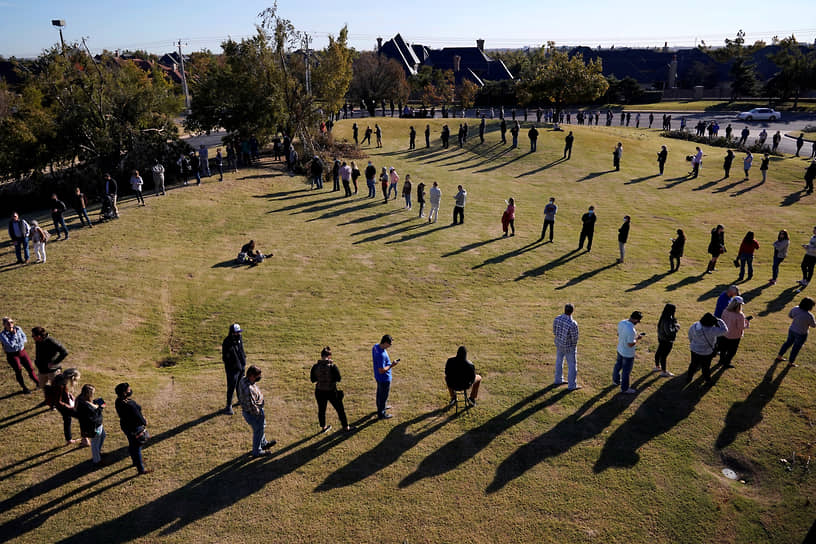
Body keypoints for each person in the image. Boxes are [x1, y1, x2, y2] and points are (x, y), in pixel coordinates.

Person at [310, 347, 352, 433]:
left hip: (319, 391)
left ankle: (323, 427)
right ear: (329, 356)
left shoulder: (315, 367)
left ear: (321, 356)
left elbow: (313, 380)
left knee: (321, 410)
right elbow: (339, 378)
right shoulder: (333, 366)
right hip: (331, 391)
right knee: (340, 409)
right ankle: (346, 427)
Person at [238, 365, 276, 456]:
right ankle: (257, 451)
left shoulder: (244, 379)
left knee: (261, 428)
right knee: (258, 430)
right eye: (257, 376)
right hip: (253, 414)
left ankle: (263, 443)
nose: (259, 378)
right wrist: (259, 414)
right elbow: (251, 406)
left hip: (252, 412)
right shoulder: (248, 390)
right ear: (251, 376)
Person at [115, 382, 152, 474]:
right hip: (135, 428)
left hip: (126, 426)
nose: (130, 390)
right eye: (128, 389)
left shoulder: (118, 401)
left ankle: (135, 461)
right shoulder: (130, 404)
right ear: (124, 393)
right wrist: (145, 422)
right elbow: (139, 417)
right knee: (137, 447)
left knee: (132, 444)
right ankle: (141, 469)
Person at [687, 313, 728, 384]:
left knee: (693, 364)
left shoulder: (695, 325)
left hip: (694, 349)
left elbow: (690, 335)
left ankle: (689, 378)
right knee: (706, 367)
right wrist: (719, 320)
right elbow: (725, 330)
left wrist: (692, 343)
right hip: (706, 353)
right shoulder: (712, 330)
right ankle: (707, 380)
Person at [1, 317, 39, 393]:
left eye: (11, 322)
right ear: (4, 325)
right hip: (12, 355)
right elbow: (10, 344)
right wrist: (15, 335)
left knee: (30, 368)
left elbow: (24, 338)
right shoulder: (2, 335)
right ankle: (24, 387)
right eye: (8, 323)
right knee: (18, 370)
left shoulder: (18, 328)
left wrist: (19, 342)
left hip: (22, 352)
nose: (10, 324)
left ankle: (39, 383)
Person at [775, 297, 816, 366]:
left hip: (792, 330)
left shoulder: (795, 308)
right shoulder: (809, 315)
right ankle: (790, 362)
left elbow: (790, 315)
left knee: (787, 343)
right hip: (801, 333)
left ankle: (779, 356)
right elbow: (813, 325)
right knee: (796, 348)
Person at [614, 311, 645, 394]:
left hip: (620, 349)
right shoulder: (631, 330)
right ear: (635, 320)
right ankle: (624, 388)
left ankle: (615, 380)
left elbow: (618, 334)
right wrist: (637, 338)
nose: (638, 323)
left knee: (618, 365)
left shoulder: (621, 322)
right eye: (638, 321)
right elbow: (630, 344)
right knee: (626, 372)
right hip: (628, 353)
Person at [75, 384, 106, 466]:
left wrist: (97, 405)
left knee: (103, 436)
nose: (93, 395)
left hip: (97, 425)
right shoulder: (85, 406)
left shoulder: (82, 400)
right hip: (94, 427)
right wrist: (100, 408)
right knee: (95, 443)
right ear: (89, 393)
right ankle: (97, 460)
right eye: (92, 393)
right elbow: (92, 417)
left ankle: (98, 454)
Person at [553, 304, 581, 390]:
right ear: (572, 311)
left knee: (559, 361)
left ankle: (558, 379)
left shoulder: (557, 318)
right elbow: (575, 338)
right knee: (572, 366)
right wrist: (573, 346)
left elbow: (554, 331)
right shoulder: (572, 323)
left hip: (559, 344)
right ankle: (572, 385)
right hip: (569, 347)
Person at [720, 297, 752, 368]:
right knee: (731, 351)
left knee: (723, 349)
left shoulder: (725, 311)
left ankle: (721, 361)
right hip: (734, 336)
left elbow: (722, 321)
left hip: (724, 334)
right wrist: (747, 323)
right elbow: (741, 327)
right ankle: (726, 363)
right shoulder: (740, 315)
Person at [372, 334, 399, 420]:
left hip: (378, 377)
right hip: (384, 378)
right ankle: (381, 414)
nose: (390, 346)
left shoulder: (375, 347)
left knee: (379, 393)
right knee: (383, 396)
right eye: (390, 344)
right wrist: (392, 365)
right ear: (386, 343)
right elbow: (381, 370)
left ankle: (380, 407)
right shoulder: (381, 355)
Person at [222, 323, 246, 415]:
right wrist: (232, 366)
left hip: (241, 368)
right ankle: (228, 406)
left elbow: (241, 351)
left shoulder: (239, 339)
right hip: (232, 370)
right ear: (232, 333)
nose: (239, 334)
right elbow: (225, 358)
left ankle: (240, 400)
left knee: (240, 385)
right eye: (237, 332)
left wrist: (243, 362)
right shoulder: (227, 342)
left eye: (239, 332)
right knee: (231, 387)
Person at [53, 373, 82, 446]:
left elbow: (66, 392)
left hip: (66, 406)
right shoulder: (58, 387)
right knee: (81, 417)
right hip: (65, 408)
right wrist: (69, 407)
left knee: (67, 420)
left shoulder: (61, 384)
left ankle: (69, 439)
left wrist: (70, 395)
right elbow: (58, 402)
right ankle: (85, 438)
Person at [654, 303, 679, 377]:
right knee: (663, 356)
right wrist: (676, 328)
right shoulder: (668, 320)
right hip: (667, 341)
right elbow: (669, 332)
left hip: (661, 339)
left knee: (658, 353)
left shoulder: (663, 317)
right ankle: (664, 371)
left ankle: (657, 367)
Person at [797, 226, 816, 290]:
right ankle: (804, 279)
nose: (813, 231)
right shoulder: (813, 237)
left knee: (810, 268)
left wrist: (808, 248)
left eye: (815, 230)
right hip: (808, 254)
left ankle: (807, 281)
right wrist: (806, 245)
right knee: (803, 266)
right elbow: (811, 245)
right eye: (814, 229)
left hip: (813, 256)